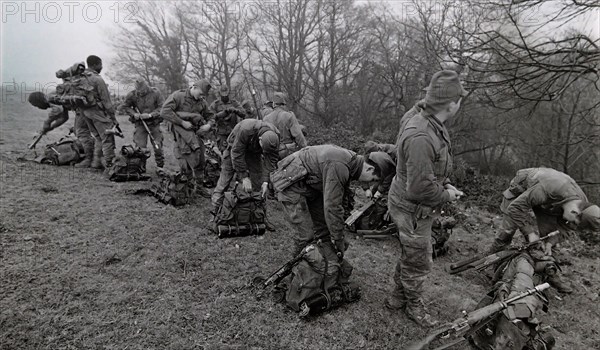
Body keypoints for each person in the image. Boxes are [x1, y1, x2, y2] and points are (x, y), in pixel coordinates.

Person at [385, 70, 466, 327]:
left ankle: (397, 298)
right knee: (419, 261)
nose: (461, 104)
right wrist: (447, 195)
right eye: (459, 99)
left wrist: (444, 182)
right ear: (451, 104)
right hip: (412, 208)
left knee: (412, 255)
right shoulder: (422, 134)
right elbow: (419, 189)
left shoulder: (431, 122)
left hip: (412, 205)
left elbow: (425, 168)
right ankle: (414, 306)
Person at [487, 167, 600, 293]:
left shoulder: (582, 205)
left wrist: (550, 242)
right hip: (524, 188)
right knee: (507, 231)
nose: (571, 224)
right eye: (573, 221)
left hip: (550, 204)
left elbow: (566, 228)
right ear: (574, 212)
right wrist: (529, 232)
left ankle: (546, 273)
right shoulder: (547, 190)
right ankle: (490, 265)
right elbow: (515, 208)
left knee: (545, 242)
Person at [273, 146, 394, 257]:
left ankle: (324, 264)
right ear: (369, 168)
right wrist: (339, 239)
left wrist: (339, 230)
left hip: (311, 186)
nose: (371, 183)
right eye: (373, 179)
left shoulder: (352, 162)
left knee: (323, 230)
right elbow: (332, 206)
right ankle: (298, 269)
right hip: (291, 185)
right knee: (306, 235)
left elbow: (341, 198)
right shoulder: (340, 166)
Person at [211, 119, 280, 213]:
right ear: (260, 139)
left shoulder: (275, 136)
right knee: (224, 182)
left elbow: (271, 160)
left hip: (254, 153)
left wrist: (266, 181)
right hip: (233, 149)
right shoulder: (246, 130)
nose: (264, 153)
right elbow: (236, 153)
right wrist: (244, 177)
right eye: (264, 149)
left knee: (258, 184)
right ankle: (215, 215)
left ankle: (257, 215)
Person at [160, 79, 214, 197]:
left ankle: (199, 187)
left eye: (203, 95)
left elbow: (210, 115)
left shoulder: (202, 101)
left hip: (195, 132)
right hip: (180, 130)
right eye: (200, 94)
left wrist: (208, 125)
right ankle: (187, 186)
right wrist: (182, 122)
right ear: (194, 87)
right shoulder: (178, 96)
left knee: (200, 157)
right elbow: (164, 112)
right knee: (186, 156)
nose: (201, 97)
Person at [79, 55, 117, 171]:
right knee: (107, 138)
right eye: (100, 64)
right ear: (95, 65)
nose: (102, 67)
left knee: (98, 137)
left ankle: (96, 163)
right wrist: (113, 117)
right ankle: (110, 165)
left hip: (85, 112)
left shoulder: (80, 77)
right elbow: (107, 101)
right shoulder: (97, 79)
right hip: (98, 112)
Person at [119, 80, 165, 169]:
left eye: (142, 90)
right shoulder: (132, 95)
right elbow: (125, 106)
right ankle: (140, 167)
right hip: (140, 124)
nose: (140, 92)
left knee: (158, 146)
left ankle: (160, 167)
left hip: (154, 123)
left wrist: (150, 115)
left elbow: (162, 107)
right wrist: (133, 114)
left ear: (147, 86)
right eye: (138, 91)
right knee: (140, 148)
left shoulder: (156, 93)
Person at [263, 92, 307, 158]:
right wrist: (305, 149)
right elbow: (299, 136)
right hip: (288, 153)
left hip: (272, 153)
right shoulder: (289, 116)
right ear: (283, 104)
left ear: (274, 104)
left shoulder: (266, 119)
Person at [209, 85, 246, 153]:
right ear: (220, 93)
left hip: (233, 132)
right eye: (223, 93)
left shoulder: (234, 103)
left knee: (236, 151)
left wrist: (235, 110)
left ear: (228, 92)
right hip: (221, 133)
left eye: (226, 93)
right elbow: (210, 116)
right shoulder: (215, 104)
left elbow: (243, 113)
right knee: (224, 152)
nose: (225, 95)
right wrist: (223, 113)